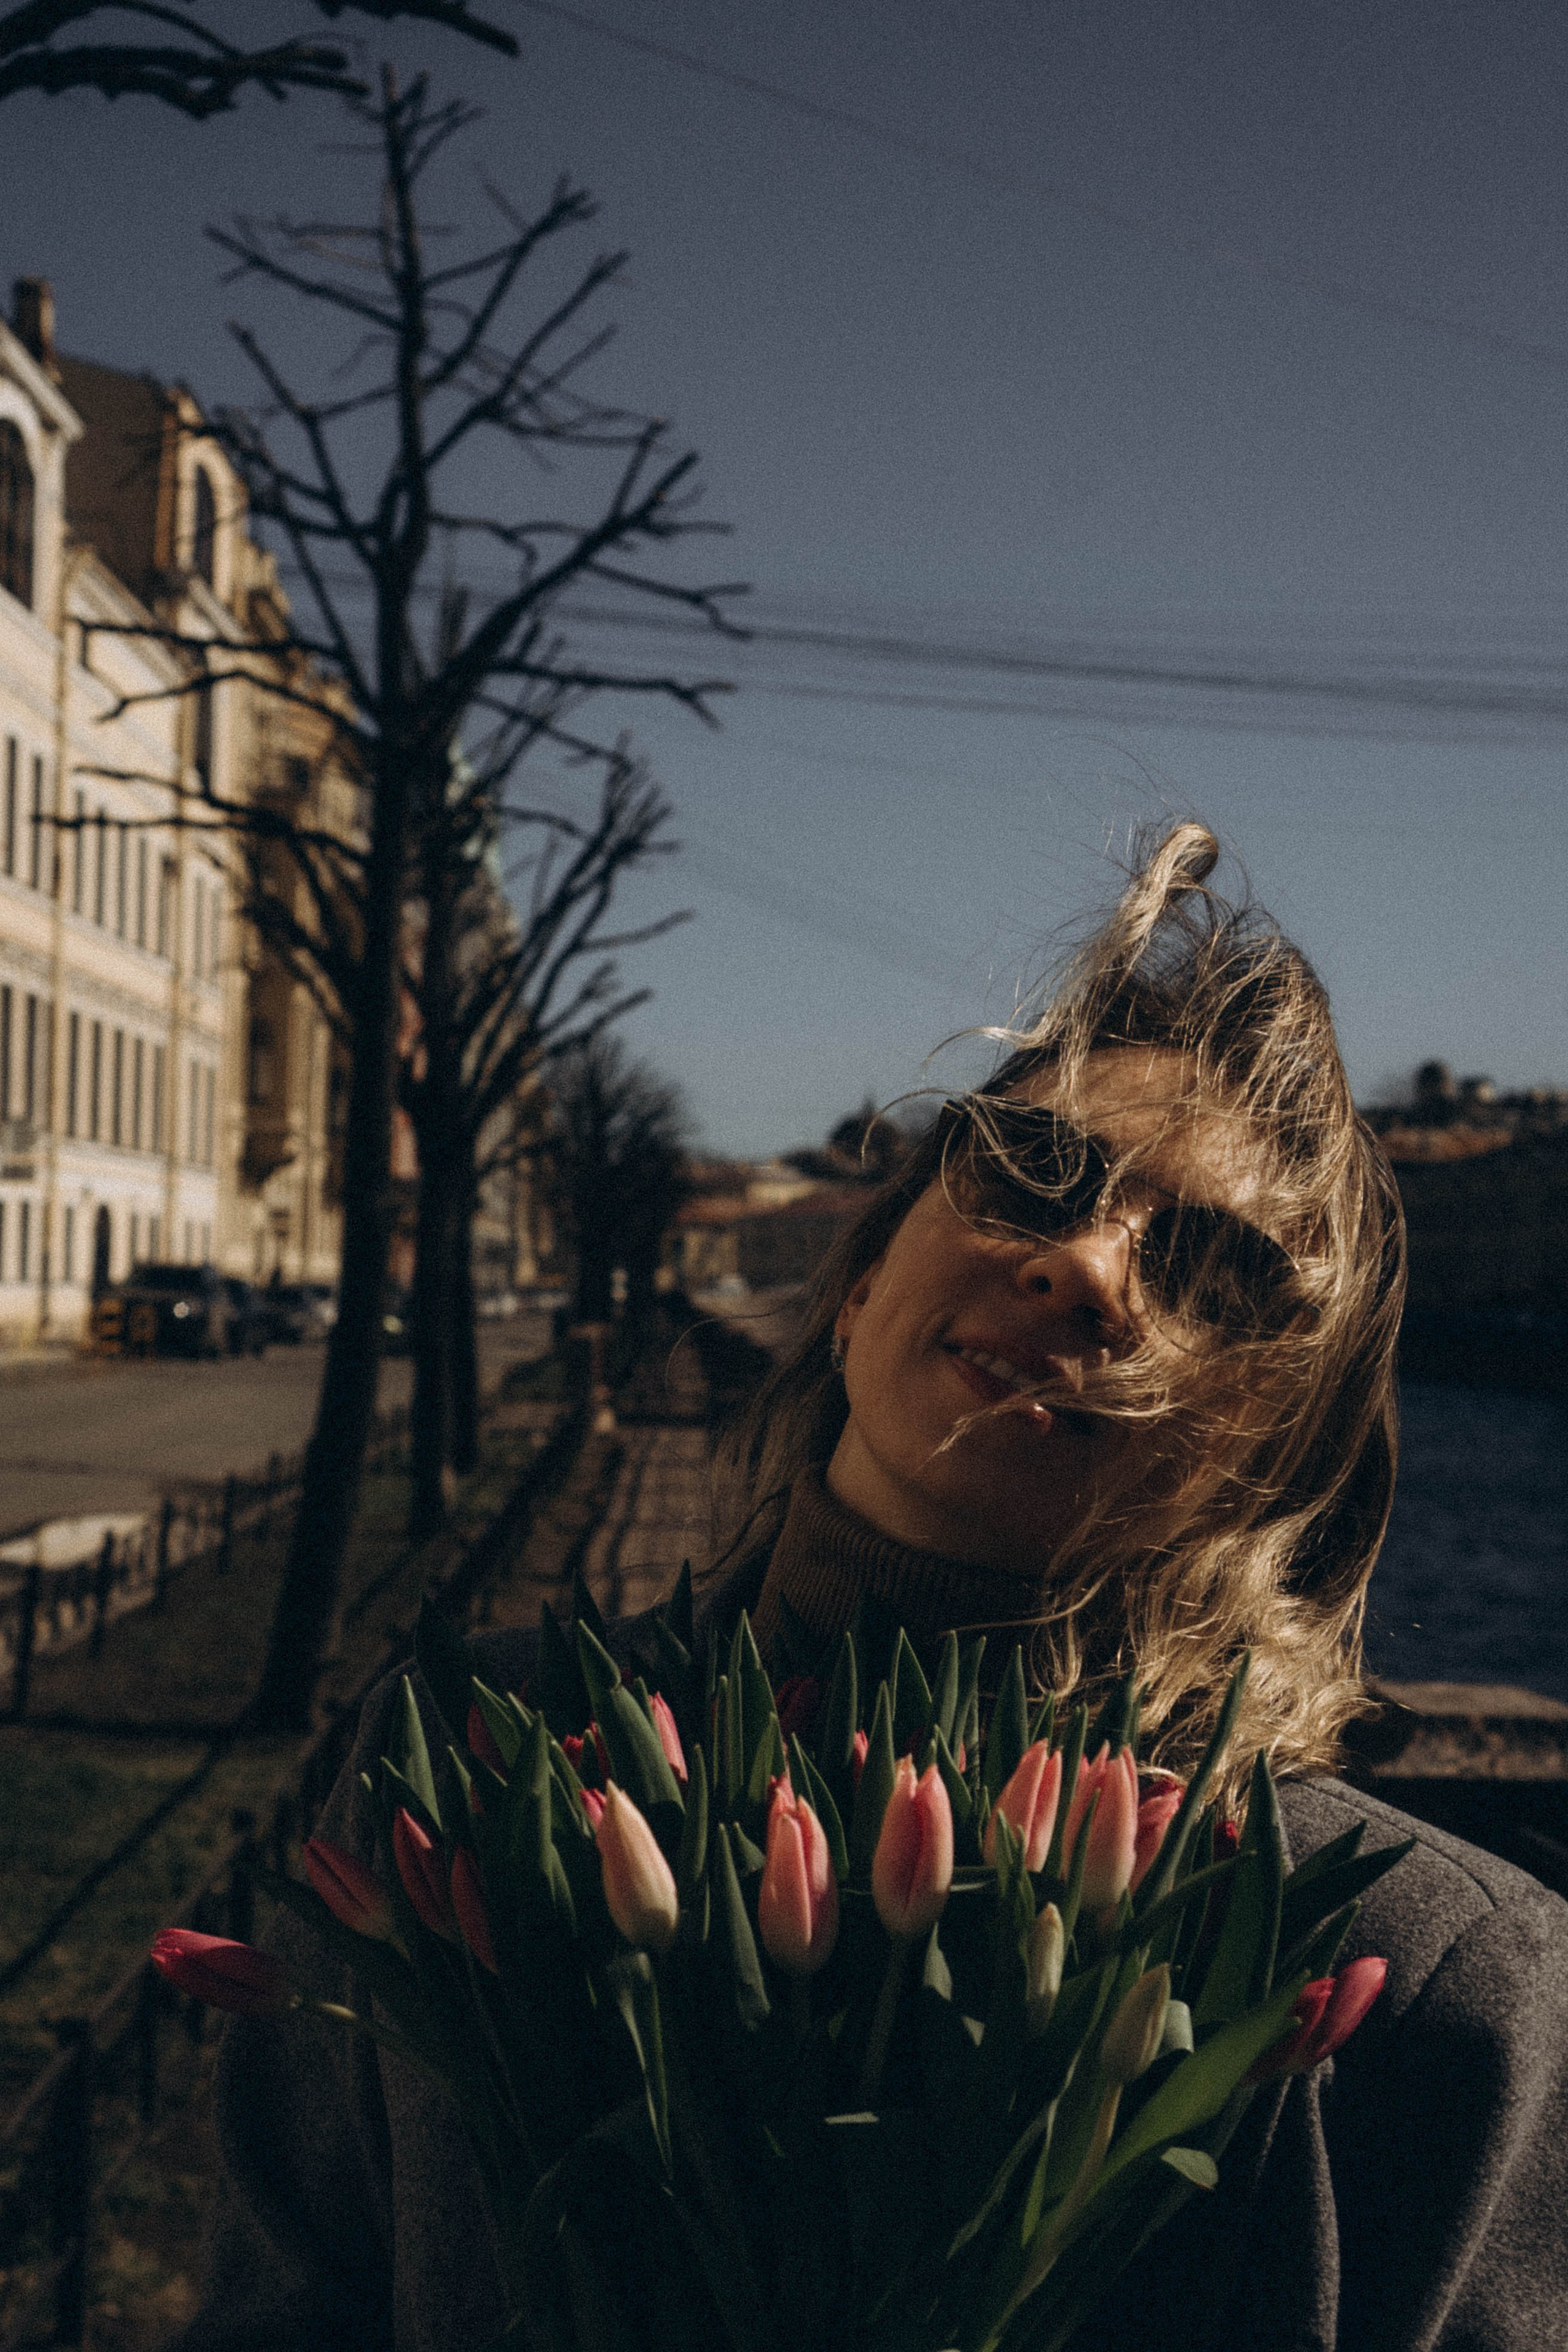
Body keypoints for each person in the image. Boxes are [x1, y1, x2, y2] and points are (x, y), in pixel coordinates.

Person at [174, 822, 1568, 2352]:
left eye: (1216, 1270)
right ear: (850, 1288)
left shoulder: (1436, 1991)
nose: (1086, 1269)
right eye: (1034, 1175)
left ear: (1283, 1457)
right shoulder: (467, 1754)